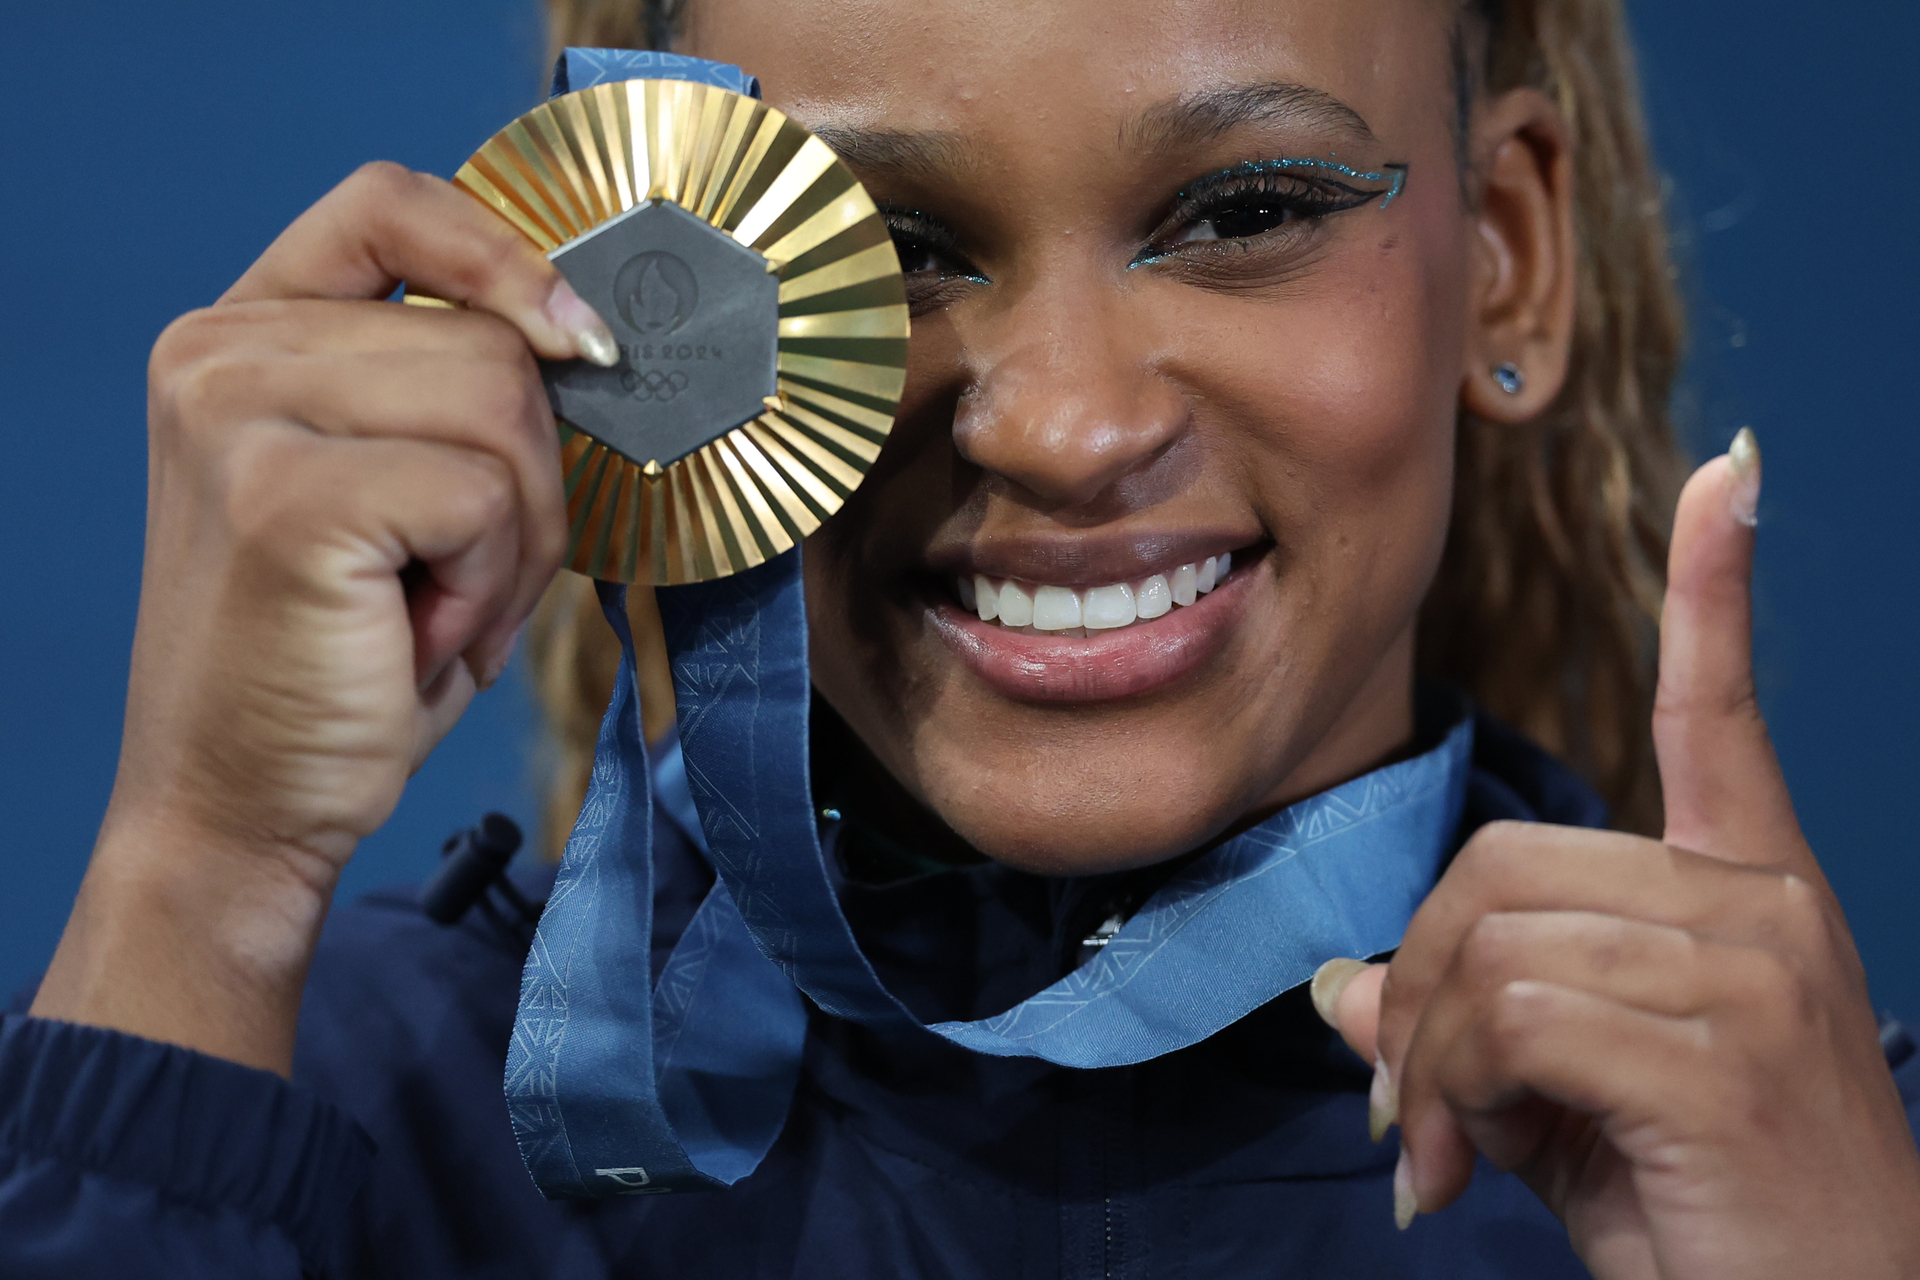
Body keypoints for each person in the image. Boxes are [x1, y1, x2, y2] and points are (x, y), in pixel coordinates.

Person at [4, 0, 1918, 1274]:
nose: (1065, 429)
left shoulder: (1799, 1173)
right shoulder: (307, 1119)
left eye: (1246, 206)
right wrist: (202, 881)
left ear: (1507, 250)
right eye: (882, 250)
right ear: (630, 297)